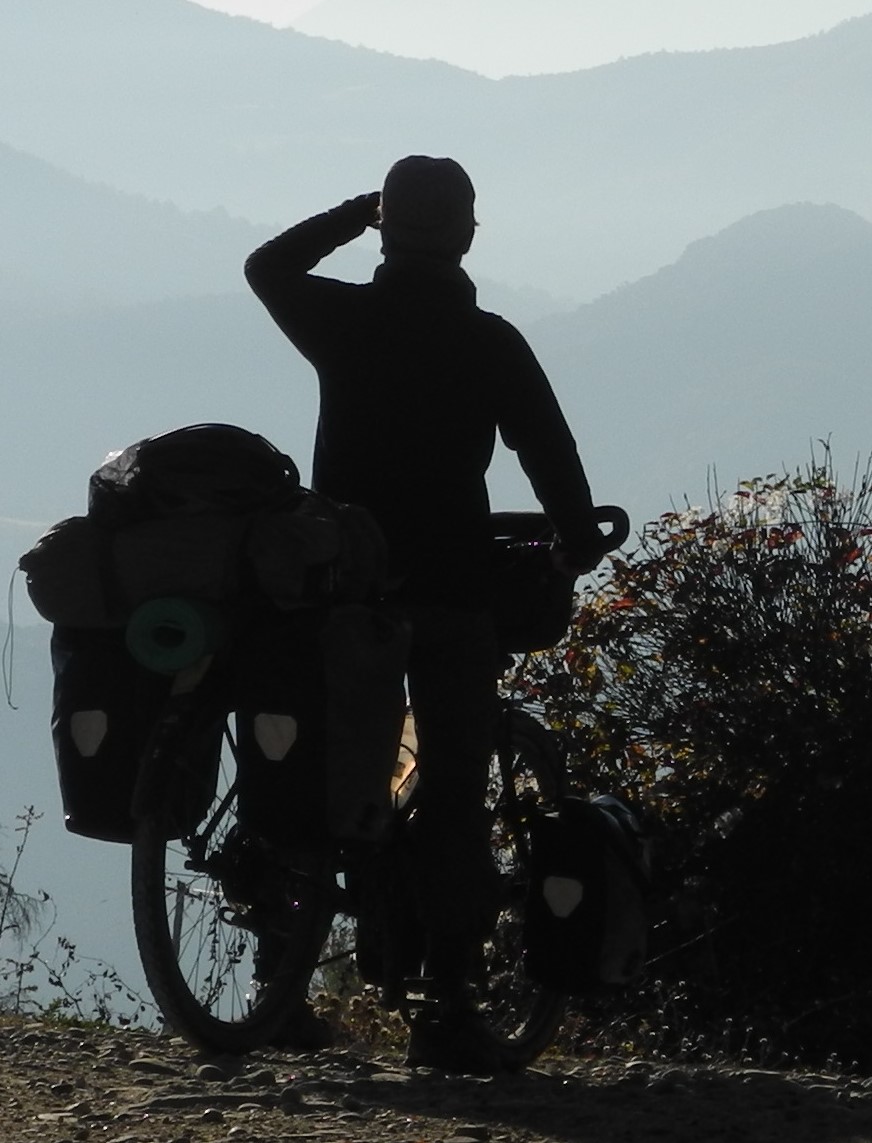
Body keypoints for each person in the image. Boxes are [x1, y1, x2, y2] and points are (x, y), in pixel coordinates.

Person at [245, 154, 604, 1073]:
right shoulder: (490, 342)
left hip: (347, 593)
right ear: (471, 233)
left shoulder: (343, 320)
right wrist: (575, 540)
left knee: (322, 774)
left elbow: (267, 267)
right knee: (452, 793)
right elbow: (548, 452)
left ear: (388, 229)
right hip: (452, 589)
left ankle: (276, 982)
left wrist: (345, 215)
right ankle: (448, 1005)